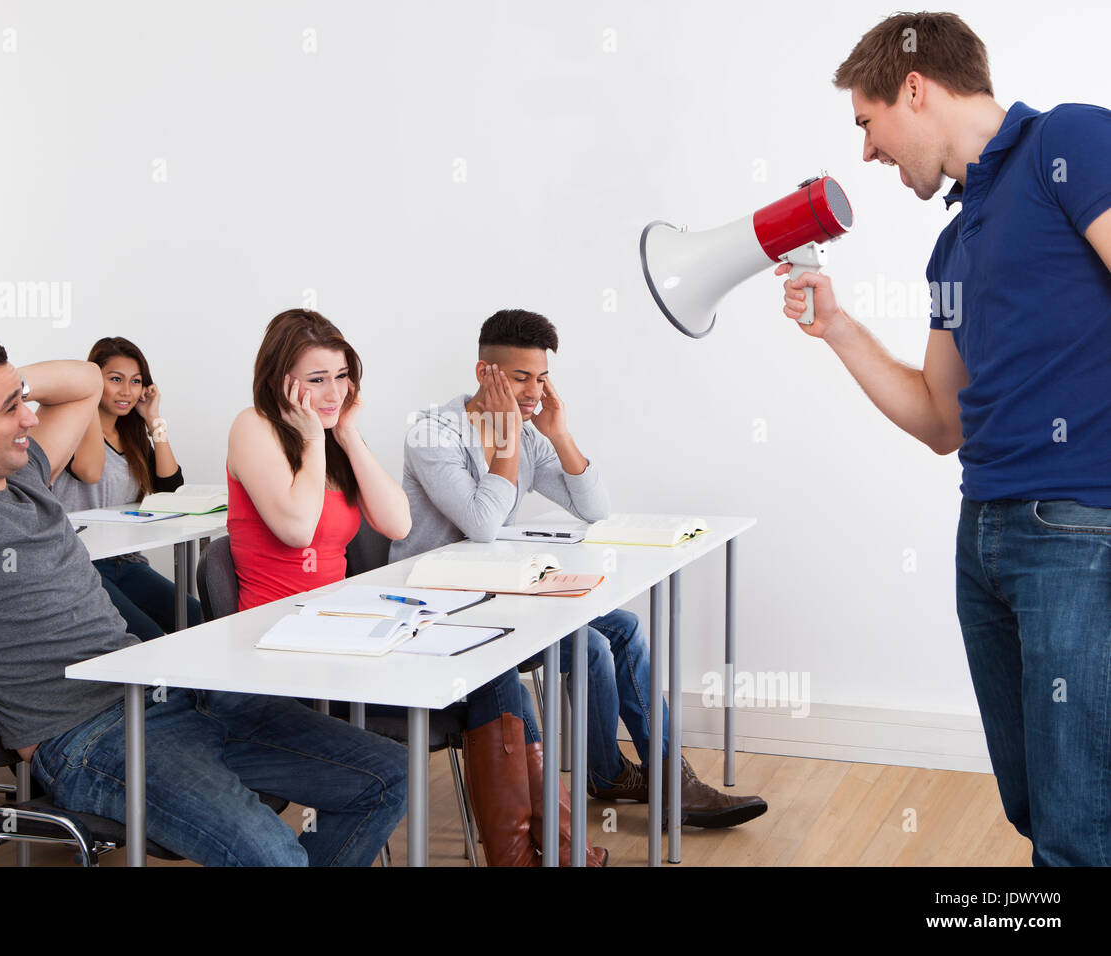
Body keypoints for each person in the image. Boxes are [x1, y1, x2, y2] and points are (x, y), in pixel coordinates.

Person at [0, 336, 406, 866]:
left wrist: (5, 386)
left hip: (171, 695)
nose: (30, 416)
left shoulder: (28, 474)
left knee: (388, 776)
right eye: (11, 407)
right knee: (275, 853)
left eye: (24, 400)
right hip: (88, 738)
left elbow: (87, 381)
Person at [779, 12, 1111, 866]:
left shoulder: (1065, 144)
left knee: (1079, 829)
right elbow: (940, 419)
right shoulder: (954, 241)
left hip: (1080, 529)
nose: (866, 154)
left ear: (915, 87)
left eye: (866, 122)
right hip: (987, 537)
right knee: (1043, 803)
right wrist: (839, 328)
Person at [227, 308, 603, 866]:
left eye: (341, 376)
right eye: (316, 380)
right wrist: (313, 438)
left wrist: (347, 434)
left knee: (494, 662)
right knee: (496, 673)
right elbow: (296, 527)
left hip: (341, 628)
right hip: (280, 644)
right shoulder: (254, 427)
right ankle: (533, 852)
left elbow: (397, 522)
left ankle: (542, 849)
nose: (333, 393)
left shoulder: (331, 438)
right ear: (281, 382)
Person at [391, 309, 768, 829]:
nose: (534, 391)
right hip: (441, 604)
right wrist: (505, 442)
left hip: (502, 590)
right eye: (521, 377)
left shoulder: (529, 433)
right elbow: (481, 523)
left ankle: (665, 776)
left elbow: (594, 509)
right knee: (588, 644)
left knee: (624, 626)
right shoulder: (433, 435)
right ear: (485, 374)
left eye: (542, 378)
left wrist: (559, 434)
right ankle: (610, 773)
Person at [51, 336, 203, 639]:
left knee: (197, 618)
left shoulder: (132, 437)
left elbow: (170, 493)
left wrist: (153, 419)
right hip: (83, 563)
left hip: (125, 561)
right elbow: (88, 472)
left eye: (135, 382)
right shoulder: (72, 428)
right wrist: (88, 402)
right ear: (95, 381)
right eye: (115, 379)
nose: (126, 391)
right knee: (150, 638)